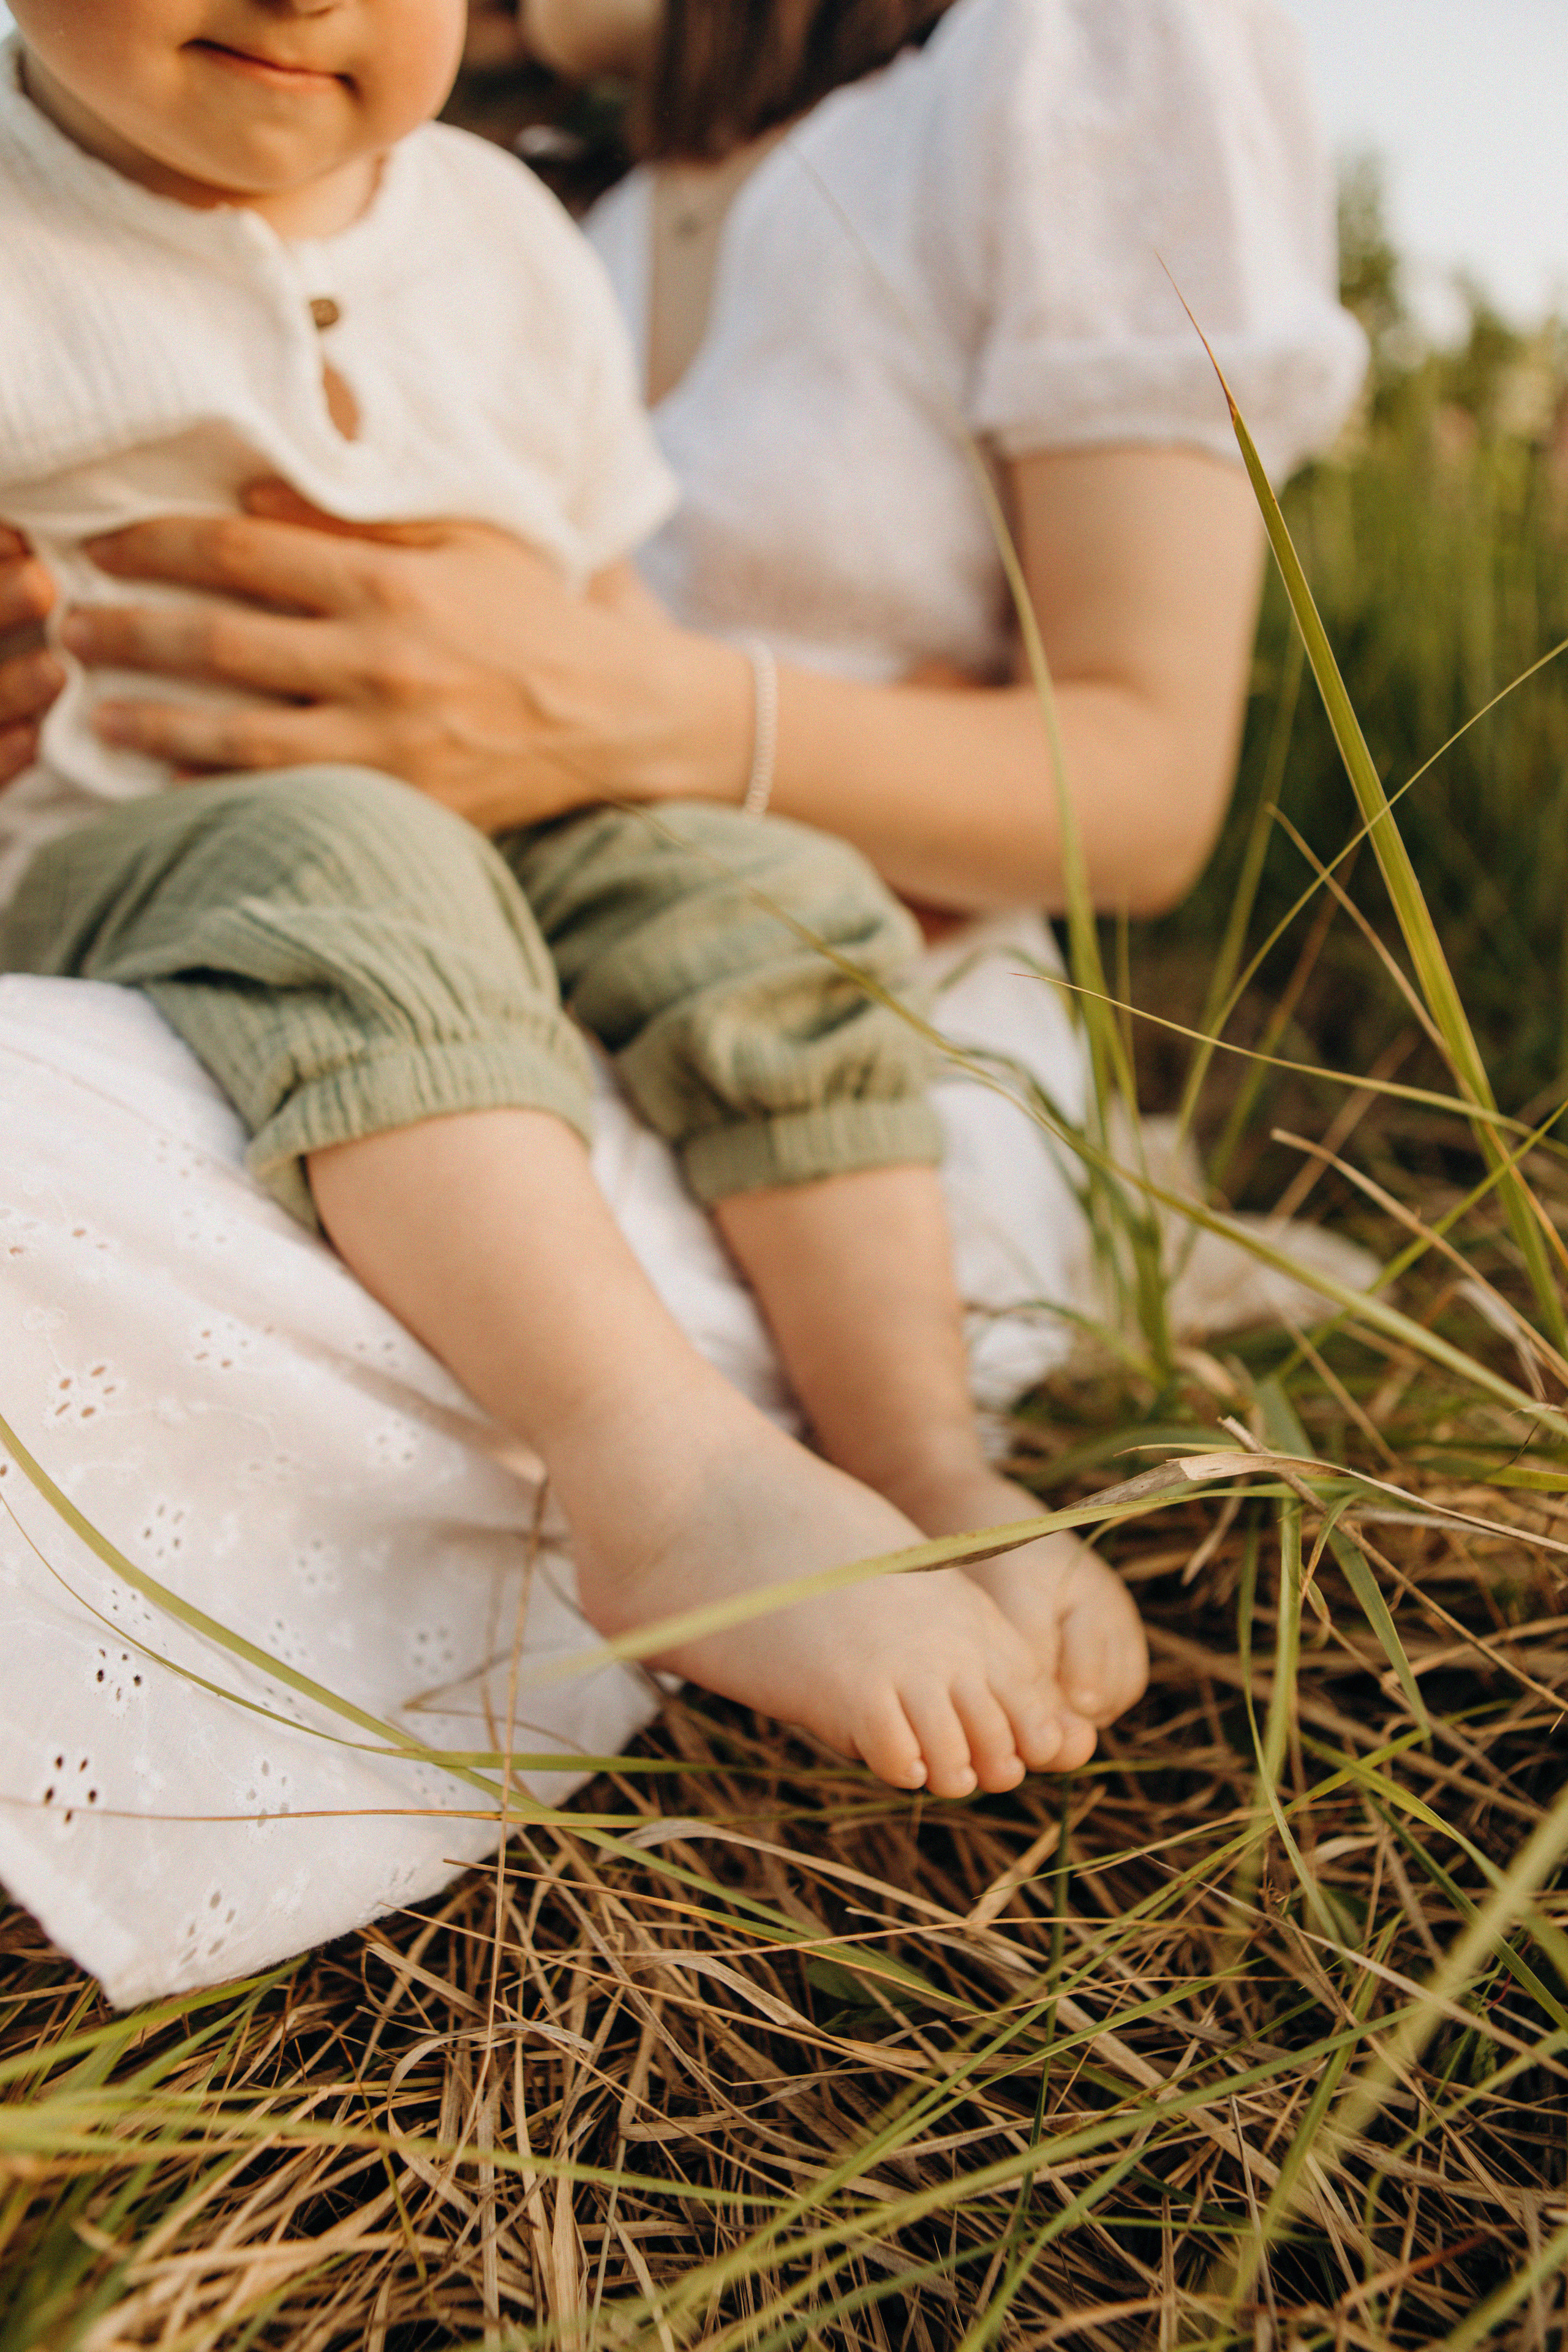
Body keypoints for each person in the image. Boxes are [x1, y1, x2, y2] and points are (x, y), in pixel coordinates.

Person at [0, 0, 1364, 2002]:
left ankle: (916, 1454)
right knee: (359, 873)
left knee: (763, 883)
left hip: (540, 828)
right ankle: (665, 1469)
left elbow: (611, 634)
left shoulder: (500, 231)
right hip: (162, 859)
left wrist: (614, 742)